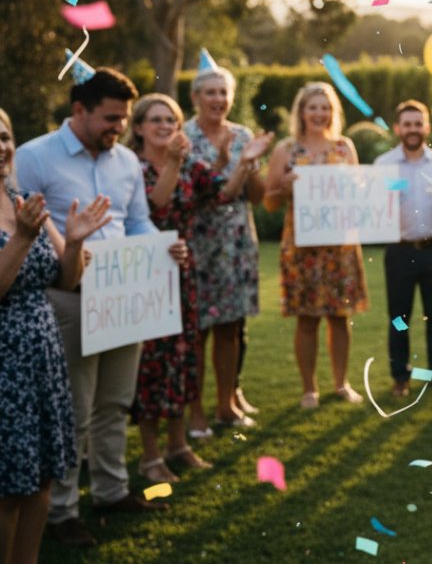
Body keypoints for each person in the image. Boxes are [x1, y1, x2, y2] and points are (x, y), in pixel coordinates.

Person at [15, 68, 189, 546]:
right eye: (110, 118)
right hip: (67, 298)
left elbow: (137, 221)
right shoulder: (33, 156)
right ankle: (62, 511)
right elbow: (20, 226)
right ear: (79, 111)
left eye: (123, 118)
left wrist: (162, 247)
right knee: (74, 408)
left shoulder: (126, 162)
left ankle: (112, 490)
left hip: (125, 294)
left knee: (115, 402)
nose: (118, 126)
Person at [127, 94, 269, 483]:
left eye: (171, 121)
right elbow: (156, 210)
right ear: (138, 128)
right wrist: (173, 162)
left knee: (183, 358)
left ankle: (178, 445)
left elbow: (223, 193)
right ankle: (151, 456)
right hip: (144, 277)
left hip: (185, 276)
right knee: (152, 365)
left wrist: (244, 161)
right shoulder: (131, 167)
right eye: (155, 120)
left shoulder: (190, 165)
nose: (164, 127)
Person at [0, 107, 108, 562]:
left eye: (4, 136)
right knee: (7, 487)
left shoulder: (22, 196)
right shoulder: (25, 217)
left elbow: (65, 280)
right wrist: (22, 238)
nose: (2, 147)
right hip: (4, 362)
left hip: (40, 353)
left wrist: (77, 240)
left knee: (41, 477)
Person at [264, 82, 368, 409]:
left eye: (325, 107)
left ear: (332, 112)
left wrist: (358, 187)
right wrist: (284, 187)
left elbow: (361, 193)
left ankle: (341, 383)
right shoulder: (286, 149)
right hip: (302, 246)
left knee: (340, 317)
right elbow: (268, 202)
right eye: (313, 107)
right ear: (302, 112)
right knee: (306, 318)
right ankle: (309, 388)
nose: (319, 113)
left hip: (340, 245)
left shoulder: (344, 148)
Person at [183, 59, 270, 435]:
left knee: (231, 327)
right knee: (199, 330)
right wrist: (236, 170)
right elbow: (203, 195)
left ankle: (226, 404)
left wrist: (253, 167)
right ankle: (196, 412)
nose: (218, 99)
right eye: (210, 92)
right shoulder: (184, 137)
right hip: (200, 244)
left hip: (237, 242)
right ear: (195, 97)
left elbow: (257, 195)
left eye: (223, 92)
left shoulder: (242, 134)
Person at [373, 101, 432, 396]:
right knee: (399, 318)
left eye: (417, 124)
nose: (412, 129)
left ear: (426, 127)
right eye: (407, 124)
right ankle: (400, 377)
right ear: (398, 129)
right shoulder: (383, 165)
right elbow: (372, 209)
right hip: (399, 251)